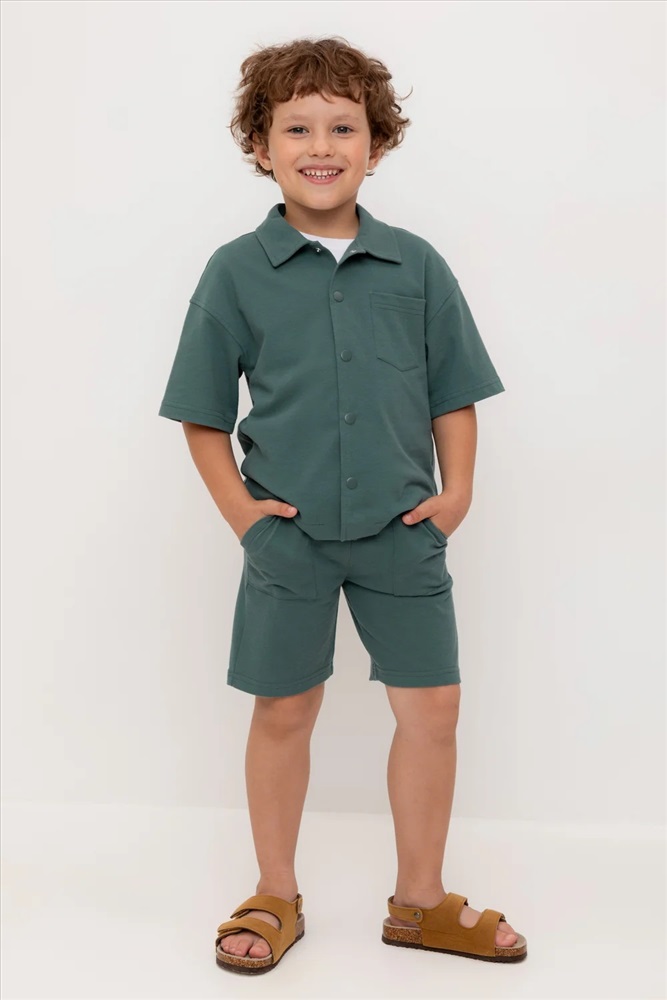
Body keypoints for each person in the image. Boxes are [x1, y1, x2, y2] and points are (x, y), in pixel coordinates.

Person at [158, 35, 527, 974]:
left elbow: (453, 392)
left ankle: (420, 901)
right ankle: (274, 892)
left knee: (432, 709)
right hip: (287, 537)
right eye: (296, 128)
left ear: (376, 142)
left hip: (403, 530)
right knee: (283, 711)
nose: (320, 146)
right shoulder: (234, 271)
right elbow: (201, 412)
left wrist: (456, 495)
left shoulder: (416, 266)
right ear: (260, 144)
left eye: (342, 127)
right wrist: (241, 514)